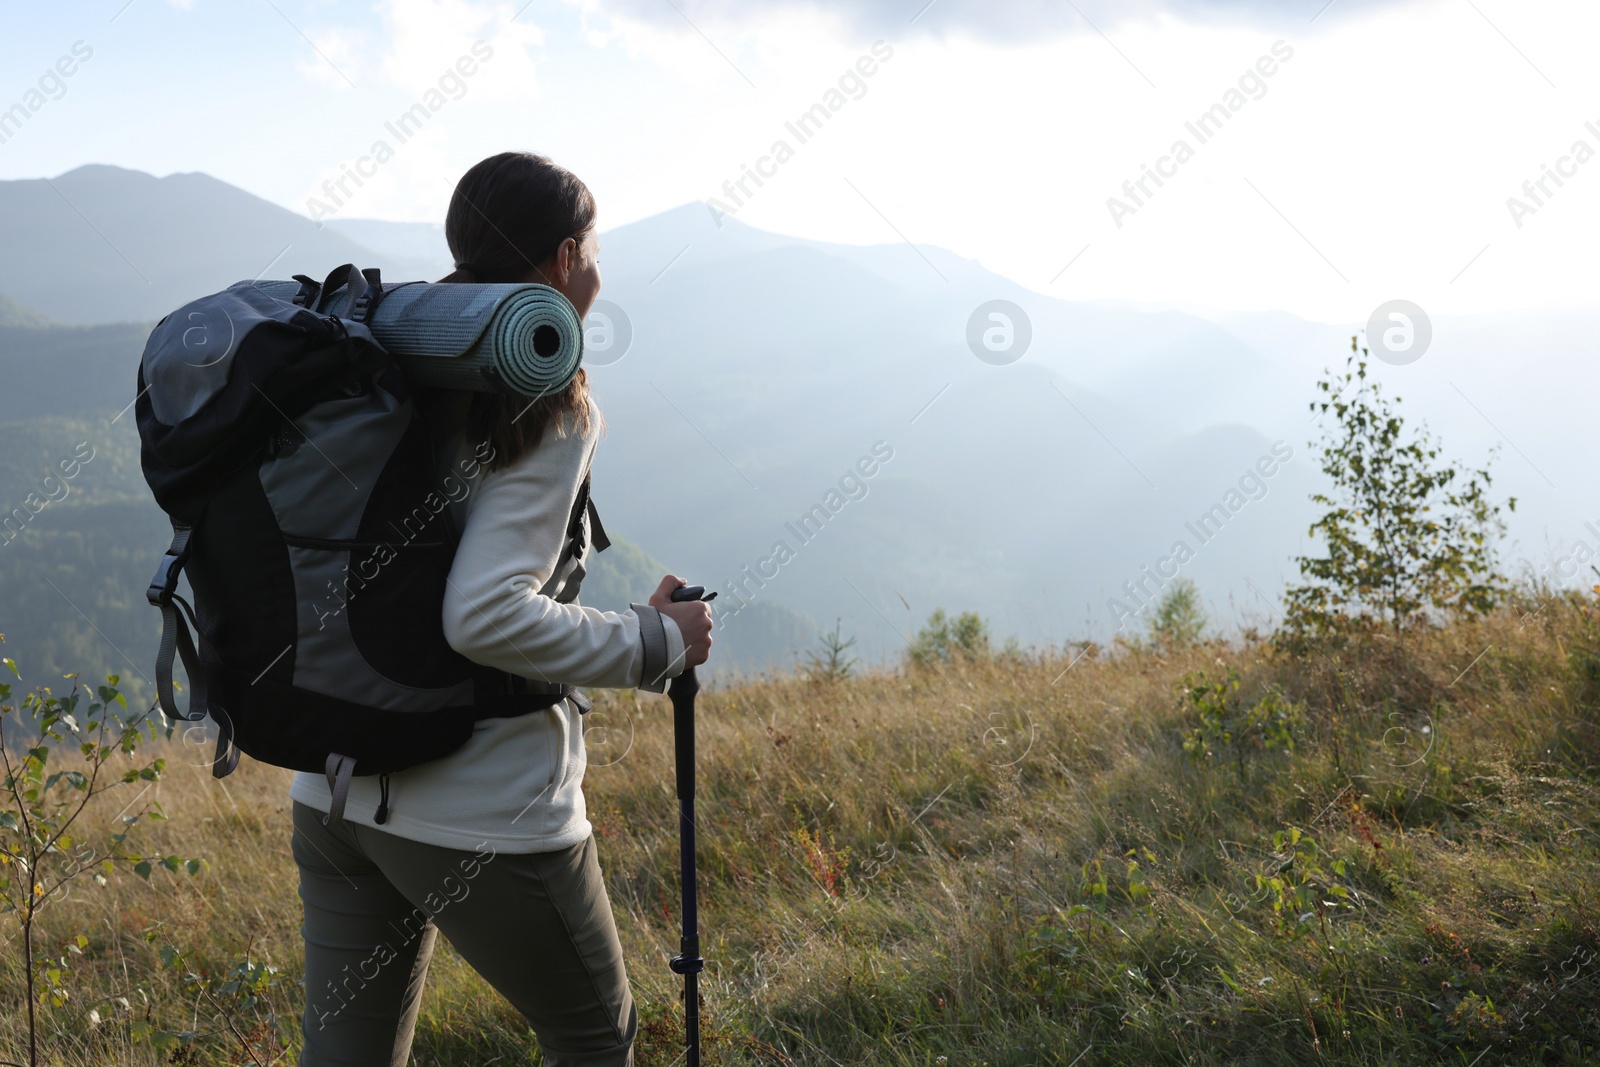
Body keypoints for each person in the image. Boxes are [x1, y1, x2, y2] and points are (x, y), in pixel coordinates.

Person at [288, 151, 714, 1067]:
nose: (600, 266)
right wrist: (654, 641)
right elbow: (480, 616)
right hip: (478, 808)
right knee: (596, 1039)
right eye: (595, 248)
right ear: (565, 259)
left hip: (333, 784)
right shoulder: (546, 392)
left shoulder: (390, 346)